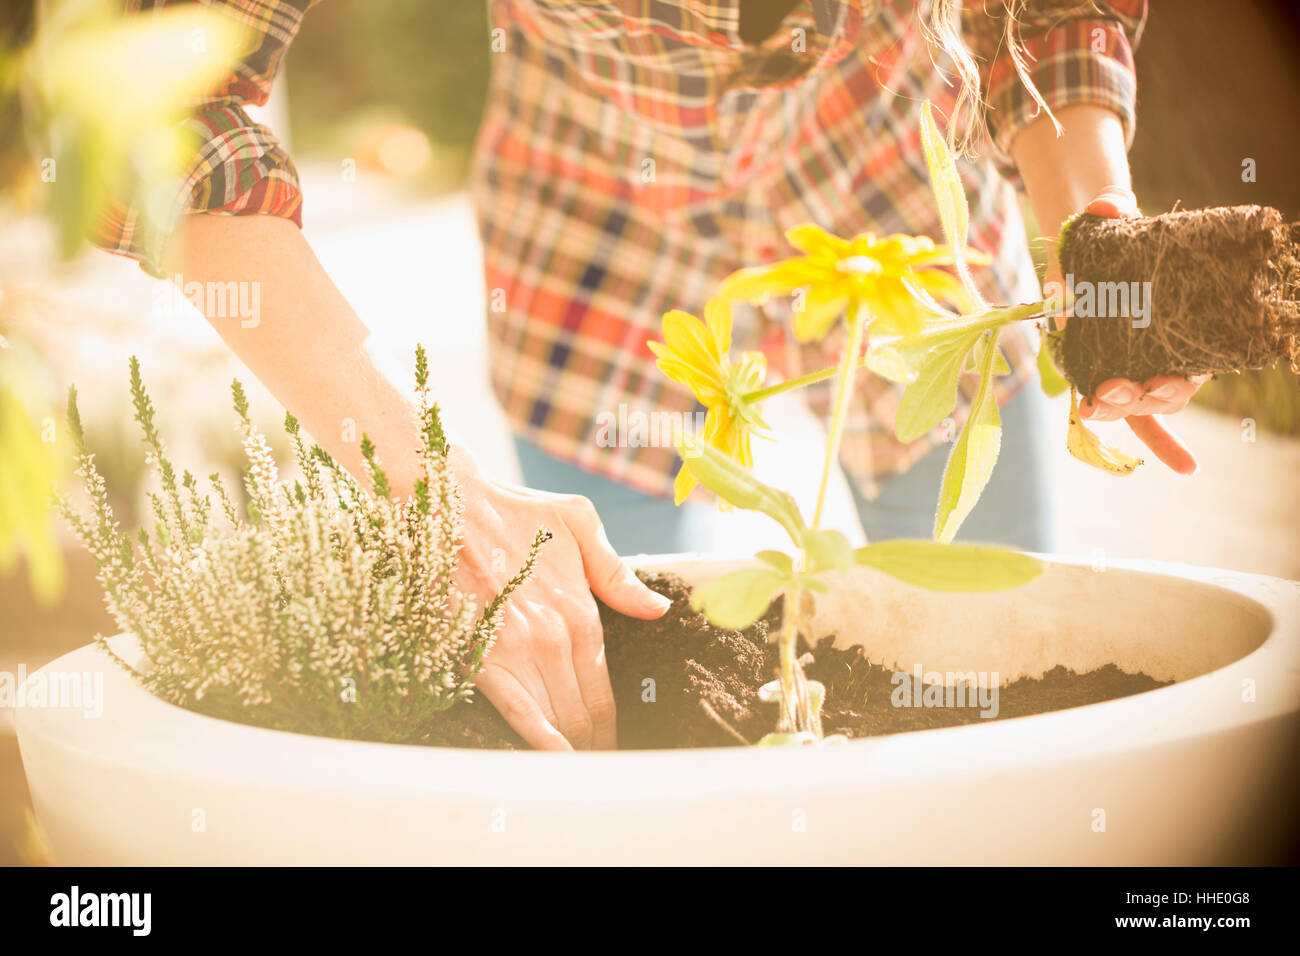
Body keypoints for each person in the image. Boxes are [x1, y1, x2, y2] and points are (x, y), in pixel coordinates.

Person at [95, 0, 1203, 751]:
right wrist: (433, 487)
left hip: (901, 198)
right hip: (597, 210)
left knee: (986, 679)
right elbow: (155, 102)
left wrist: (1090, 222)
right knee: (621, 670)